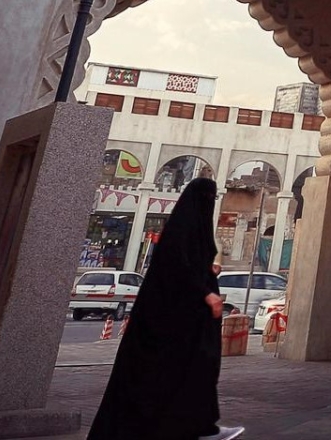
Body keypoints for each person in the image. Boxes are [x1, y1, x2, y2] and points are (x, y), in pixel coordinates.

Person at [86, 177, 242, 440]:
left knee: (188, 373)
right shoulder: (182, 234)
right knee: (170, 376)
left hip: (179, 327)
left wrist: (208, 271)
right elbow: (177, 269)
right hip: (169, 329)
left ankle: (197, 426)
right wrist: (206, 294)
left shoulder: (186, 233)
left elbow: (188, 265)